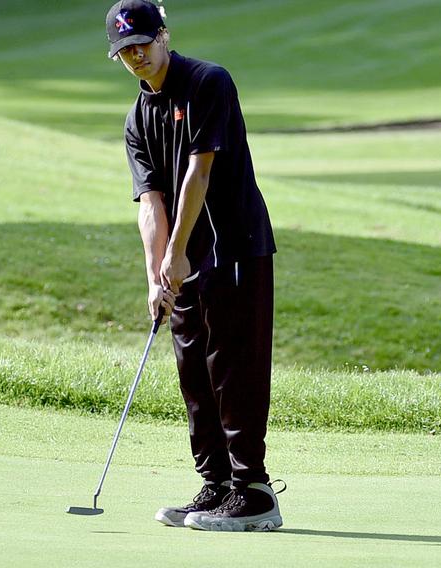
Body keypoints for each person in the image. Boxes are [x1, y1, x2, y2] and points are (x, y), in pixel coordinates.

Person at [105, 0, 284, 532]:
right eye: (124, 51)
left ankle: (252, 491)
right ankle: (214, 485)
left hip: (232, 247)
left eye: (141, 43)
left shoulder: (208, 82)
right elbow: (151, 203)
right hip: (182, 257)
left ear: (163, 35)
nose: (135, 55)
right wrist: (155, 275)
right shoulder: (138, 117)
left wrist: (178, 252)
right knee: (193, 371)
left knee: (232, 367)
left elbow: (197, 175)